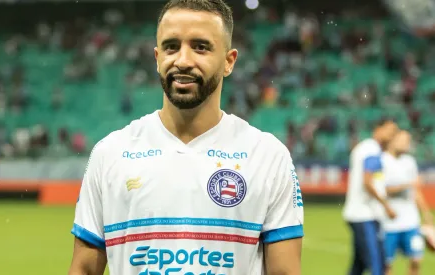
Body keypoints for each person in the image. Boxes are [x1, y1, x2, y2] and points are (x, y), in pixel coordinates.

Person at [68, 1, 304, 275]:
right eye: (171, 47)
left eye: (200, 47)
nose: (182, 60)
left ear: (229, 61)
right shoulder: (110, 153)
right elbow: (83, 269)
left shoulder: (267, 157)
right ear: (157, 58)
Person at [342, 118, 399, 275]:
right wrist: (386, 206)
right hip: (363, 215)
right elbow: (367, 182)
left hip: (363, 214)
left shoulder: (369, 149)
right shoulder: (371, 149)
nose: (392, 135)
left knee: (358, 267)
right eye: (390, 130)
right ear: (377, 129)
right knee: (377, 266)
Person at [382, 130, 433, 275]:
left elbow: (415, 190)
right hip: (389, 222)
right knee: (387, 264)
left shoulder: (409, 161)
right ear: (392, 141)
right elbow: (382, 190)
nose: (406, 144)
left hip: (411, 221)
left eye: (408, 141)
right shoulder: (382, 160)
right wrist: (407, 184)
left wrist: (426, 212)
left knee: (416, 260)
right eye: (403, 140)